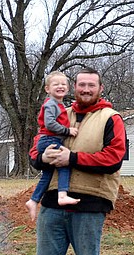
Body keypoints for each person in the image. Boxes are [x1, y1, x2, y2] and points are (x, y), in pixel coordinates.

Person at [16, 67, 126, 255]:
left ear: (100, 88)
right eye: (81, 85)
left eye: (91, 85)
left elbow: (114, 158)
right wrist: (43, 157)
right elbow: (35, 150)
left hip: (91, 203)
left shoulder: (111, 119)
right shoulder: (59, 112)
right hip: (52, 203)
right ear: (74, 87)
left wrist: (72, 157)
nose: (86, 89)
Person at [25, 71, 80, 222]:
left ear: (68, 88)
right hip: (50, 139)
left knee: (48, 174)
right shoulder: (51, 104)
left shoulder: (60, 104)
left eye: (63, 84)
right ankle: (62, 195)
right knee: (63, 164)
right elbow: (49, 123)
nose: (60, 86)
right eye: (56, 84)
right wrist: (67, 131)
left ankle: (34, 200)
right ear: (47, 89)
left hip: (51, 139)